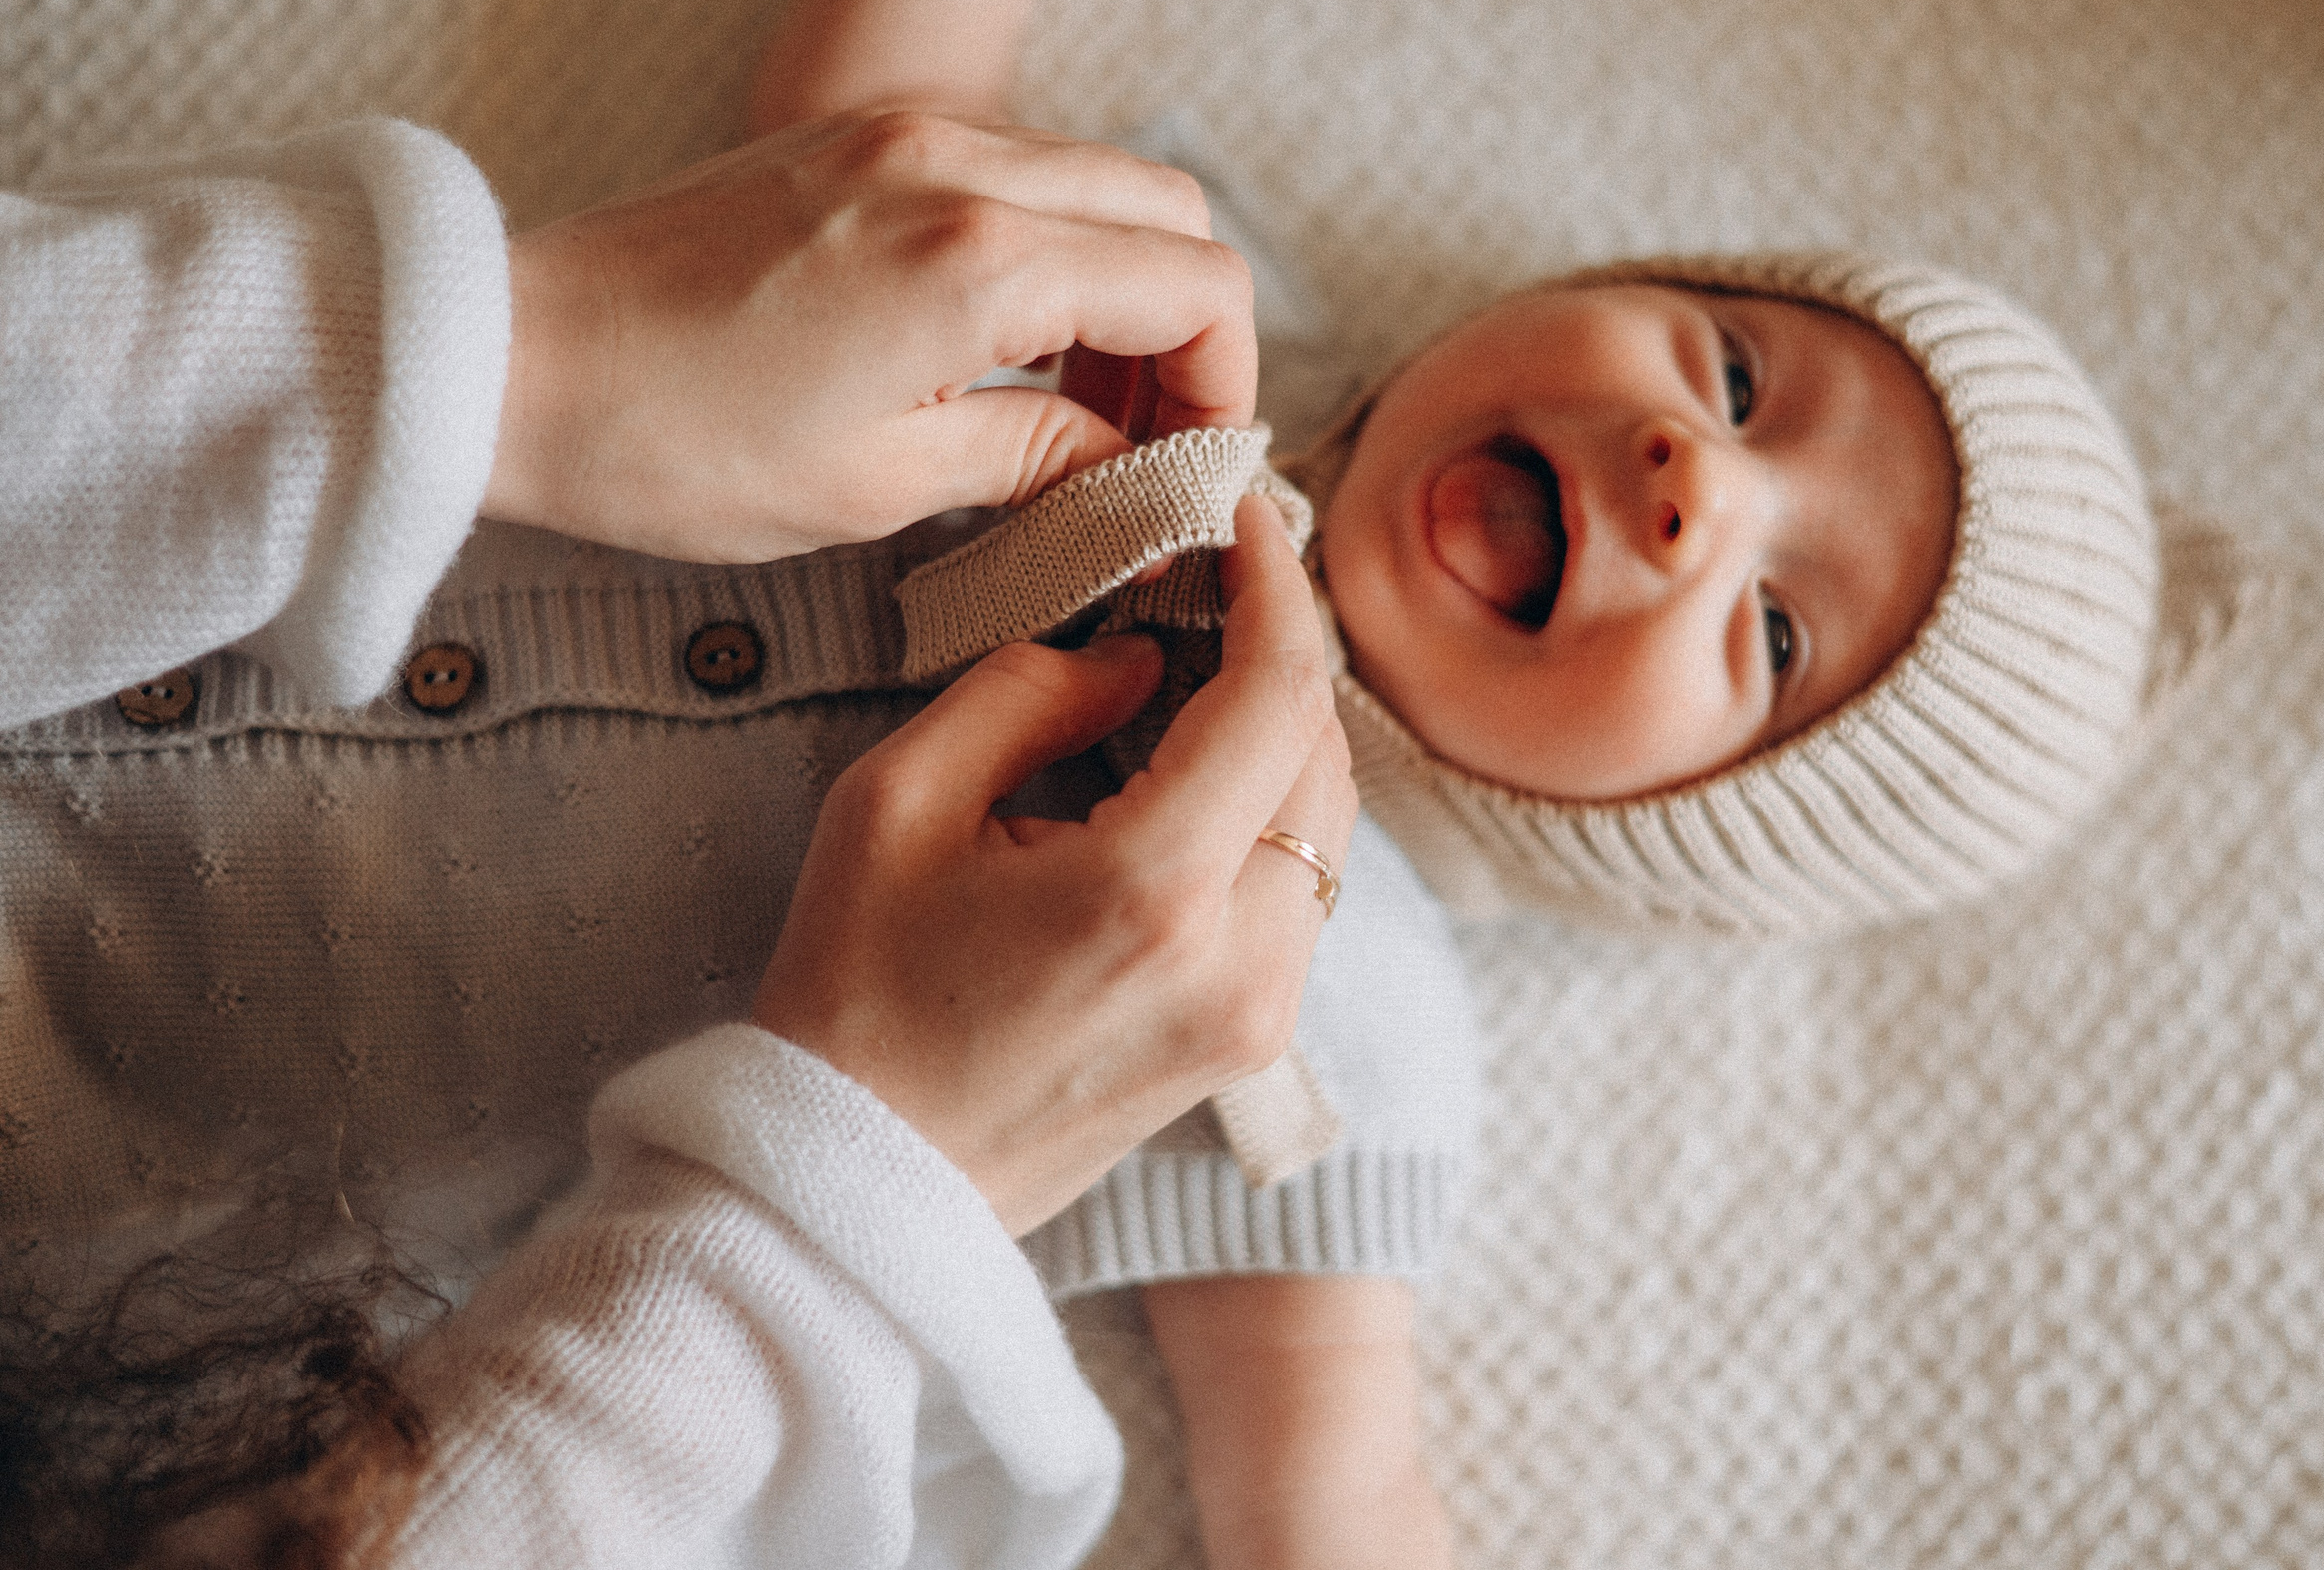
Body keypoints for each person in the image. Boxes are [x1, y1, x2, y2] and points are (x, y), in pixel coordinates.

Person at [747, 0, 2166, 1568]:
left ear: (1664, 833)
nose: (1695, 482)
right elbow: (858, 167)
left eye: (1778, 634)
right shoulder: (1194, 318)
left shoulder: (1332, 1012)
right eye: (1735, 378)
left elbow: (1326, 1507)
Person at [0, 77, 1358, 1567]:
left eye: (1678, 728)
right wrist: (519, 352)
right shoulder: (1145, 300)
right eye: (1669, 327)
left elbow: (1328, 1508)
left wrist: (851, 1204)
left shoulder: (1351, 979)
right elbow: (876, 102)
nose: (1670, 466)